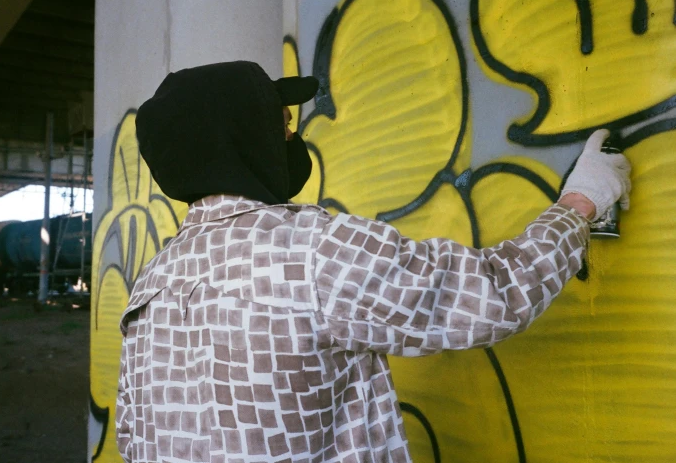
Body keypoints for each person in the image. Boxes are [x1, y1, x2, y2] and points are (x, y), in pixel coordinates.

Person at [115, 61, 631, 463]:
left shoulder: (154, 280)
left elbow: (131, 439)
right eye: (283, 126)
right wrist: (579, 205)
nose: (292, 138)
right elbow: (492, 296)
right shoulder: (312, 250)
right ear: (242, 140)